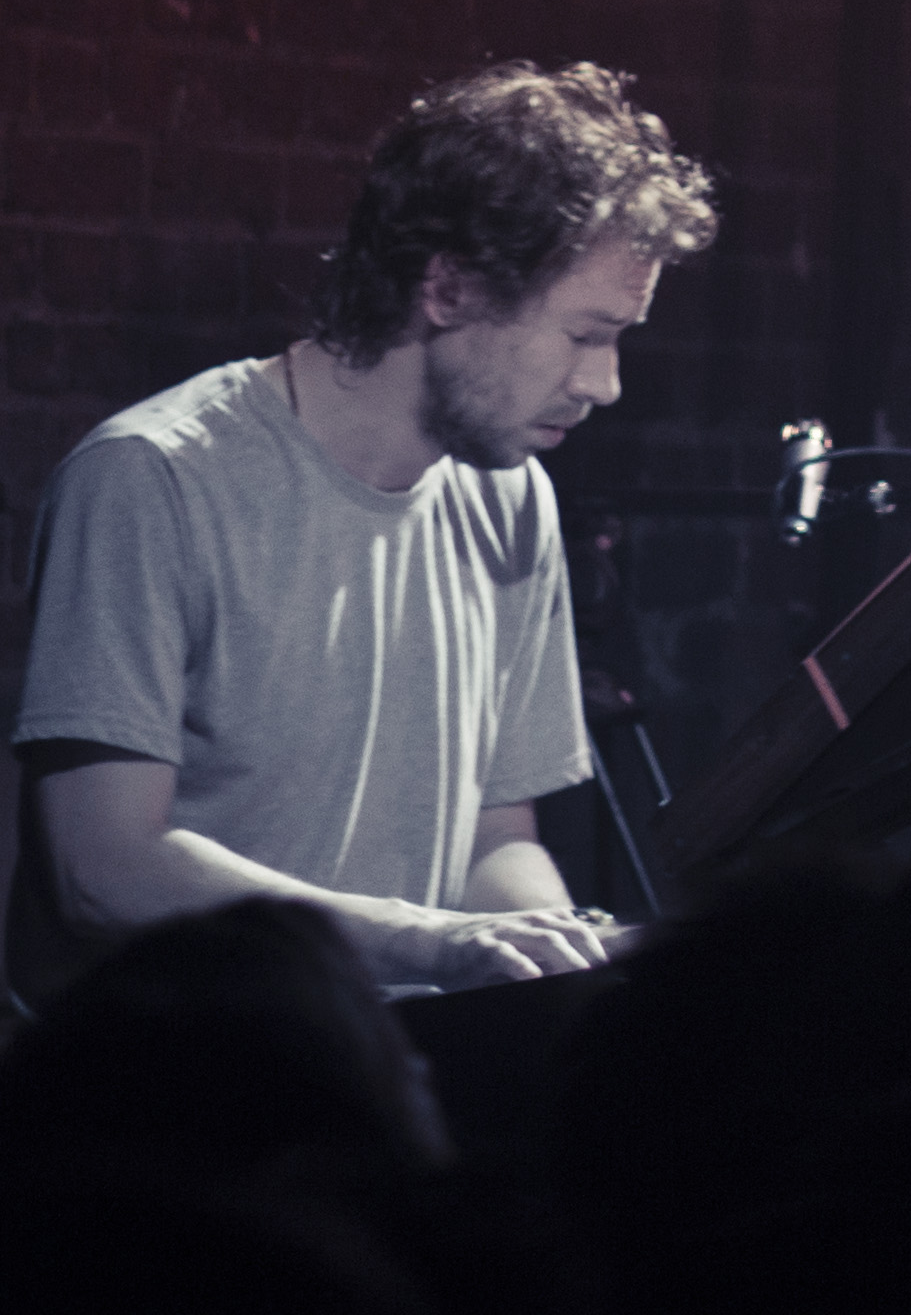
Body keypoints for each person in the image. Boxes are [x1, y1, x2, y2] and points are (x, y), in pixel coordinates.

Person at [11, 60, 719, 1004]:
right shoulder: (153, 478)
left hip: (381, 1087)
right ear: (450, 289)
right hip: (157, 1105)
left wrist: (538, 956)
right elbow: (104, 866)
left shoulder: (513, 500)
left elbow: (494, 841)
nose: (606, 384)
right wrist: (431, 944)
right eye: (585, 335)